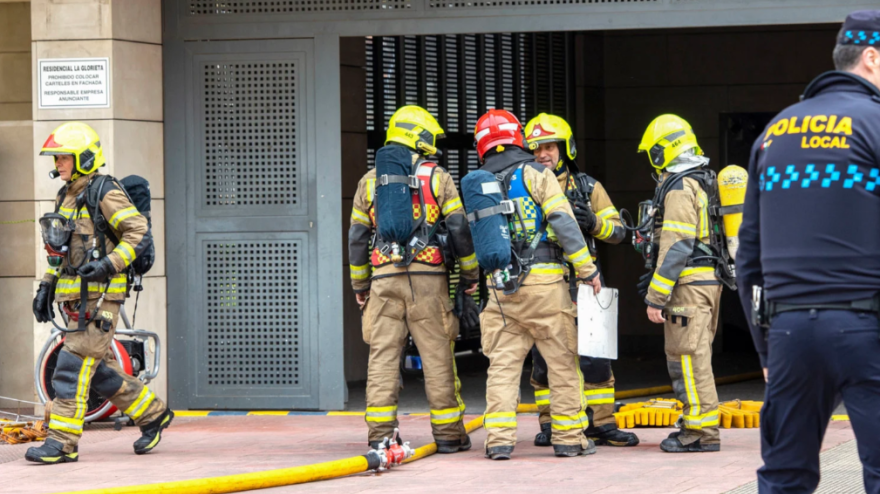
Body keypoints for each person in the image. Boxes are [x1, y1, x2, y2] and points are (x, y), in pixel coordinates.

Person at [736, 10, 880, 492]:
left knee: (784, 476)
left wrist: (765, 347)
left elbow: (748, 258)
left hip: (790, 334)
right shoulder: (875, 123)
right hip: (868, 328)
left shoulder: (774, 133)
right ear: (872, 58)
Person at [28, 122, 172, 464]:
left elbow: (139, 233)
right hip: (75, 299)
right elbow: (59, 250)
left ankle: (62, 443)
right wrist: (46, 285)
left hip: (104, 297)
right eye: (57, 157)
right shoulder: (66, 196)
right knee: (101, 372)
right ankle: (153, 414)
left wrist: (109, 264)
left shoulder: (105, 191)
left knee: (71, 365)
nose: (58, 163)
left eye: (63, 157)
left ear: (84, 158)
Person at [471, 109, 601, 460]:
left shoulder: (476, 183)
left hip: (501, 290)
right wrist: (588, 270)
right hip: (545, 286)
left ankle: (498, 441)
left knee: (502, 367)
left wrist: (470, 284)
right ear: (519, 138)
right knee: (562, 364)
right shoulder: (537, 174)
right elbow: (563, 222)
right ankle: (570, 439)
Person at [348, 105, 478, 453]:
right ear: (420, 137)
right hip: (429, 280)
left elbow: (358, 238)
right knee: (437, 357)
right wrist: (470, 275)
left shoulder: (369, 181)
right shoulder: (438, 178)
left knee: (382, 359)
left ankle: (380, 436)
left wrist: (361, 286)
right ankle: (450, 435)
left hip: (383, 280)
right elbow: (459, 228)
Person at [524, 113, 639, 448]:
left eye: (550, 146)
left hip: (587, 286)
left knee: (596, 358)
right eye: (535, 149)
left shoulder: (588, 187)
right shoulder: (524, 185)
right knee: (544, 360)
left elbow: (619, 232)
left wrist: (593, 223)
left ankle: (602, 423)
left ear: (566, 148)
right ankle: (550, 423)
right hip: (546, 286)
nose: (543, 154)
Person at [637, 115, 722, 453]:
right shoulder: (703, 180)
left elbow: (677, 243)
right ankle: (696, 425)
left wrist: (656, 296)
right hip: (707, 280)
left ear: (661, 151)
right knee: (698, 354)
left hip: (687, 286)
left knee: (687, 357)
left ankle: (699, 433)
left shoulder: (679, 185)